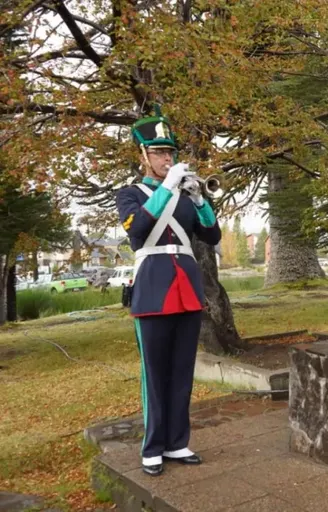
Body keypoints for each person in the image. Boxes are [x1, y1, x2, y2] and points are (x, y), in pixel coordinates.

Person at [116, 108, 222, 476]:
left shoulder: (183, 195)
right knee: (154, 374)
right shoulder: (130, 194)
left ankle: (177, 442)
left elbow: (212, 235)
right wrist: (167, 187)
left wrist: (199, 201)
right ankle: (153, 447)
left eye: (170, 152)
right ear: (143, 155)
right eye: (159, 152)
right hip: (152, 289)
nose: (167, 159)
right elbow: (137, 229)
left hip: (187, 289)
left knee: (182, 371)